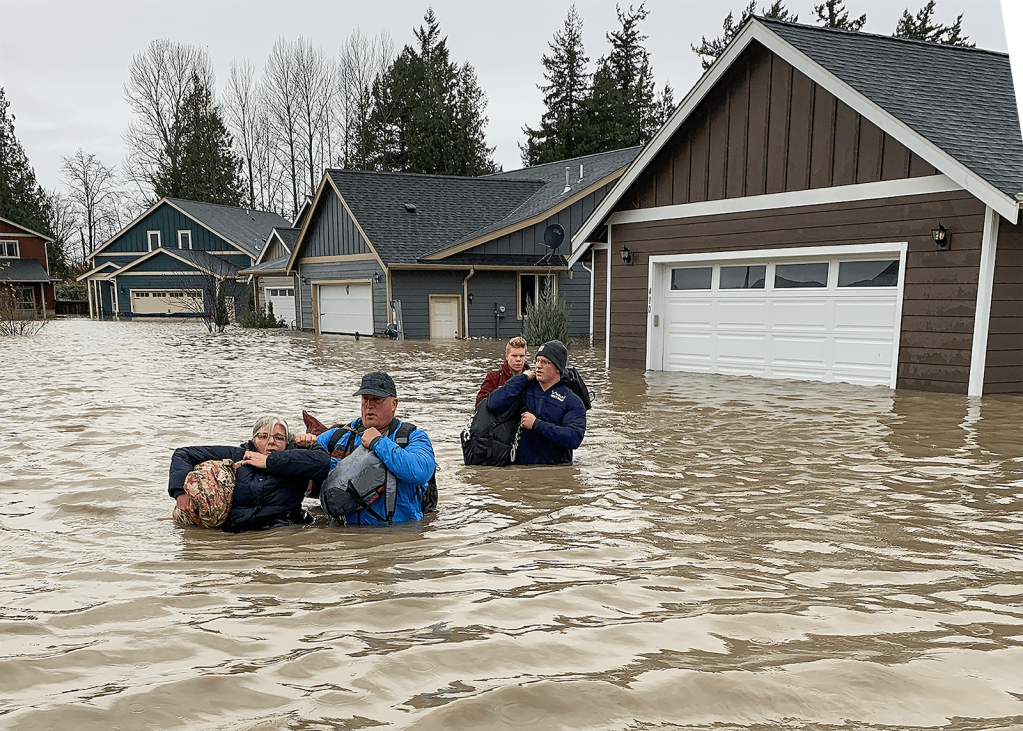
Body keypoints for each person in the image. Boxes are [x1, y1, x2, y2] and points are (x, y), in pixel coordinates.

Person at [295, 371, 435, 524]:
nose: (369, 405)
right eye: (365, 398)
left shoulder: (413, 436)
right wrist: (303, 445)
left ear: (394, 404)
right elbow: (299, 463)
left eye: (377, 399)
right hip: (344, 534)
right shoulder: (339, 435)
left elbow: (420, 471)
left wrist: (378, 442)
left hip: (399, 533)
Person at [168, 415, 330, 533]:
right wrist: (179, 493)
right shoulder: (239, 454)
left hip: (282, 531)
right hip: (236, 533)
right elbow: (183, 454)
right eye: (263, 436)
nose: (271, 441)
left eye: (279, 438)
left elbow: (322, 463)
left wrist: (269, 461)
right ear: (253, 440)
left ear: (287, 442)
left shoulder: (296, 457)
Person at [485, 339, 586, 465]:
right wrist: (522, 378)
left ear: (558, 368)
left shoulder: (572, 401)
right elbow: (492, 404)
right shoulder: (525, 389)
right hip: (523, 469)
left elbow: (574, 438)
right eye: (537, 361)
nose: (538, 366)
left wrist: (536, 424)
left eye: (544, 362)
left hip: (556, 470)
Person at [475, 336, 529, 407]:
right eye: (514, 356)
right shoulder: (494, 377)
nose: (518, 359)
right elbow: (480, 404)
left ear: (525, 356)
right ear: (507, 356)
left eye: (521, 356)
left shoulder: (534, 380)